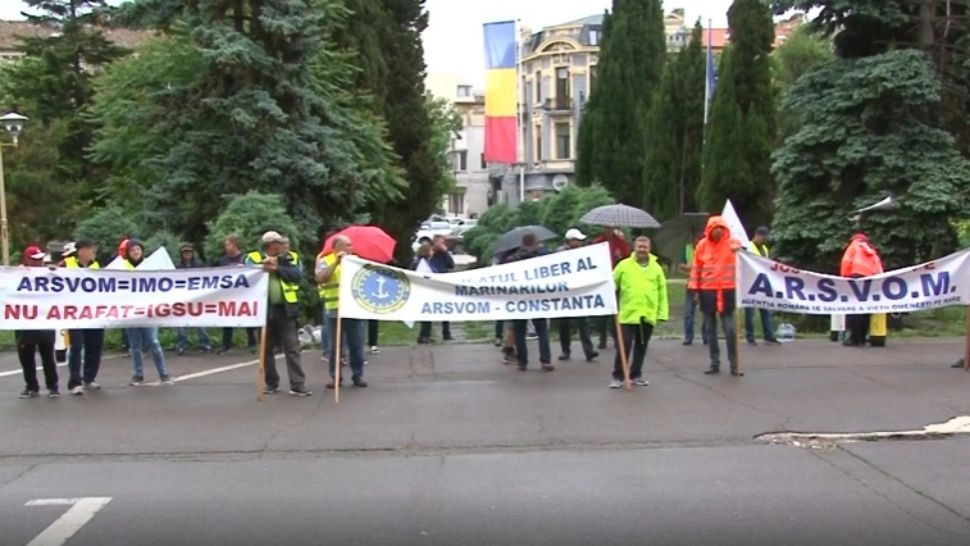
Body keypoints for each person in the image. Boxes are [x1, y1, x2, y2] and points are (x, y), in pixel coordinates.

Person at [247, 231, 311, 396]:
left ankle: (297, 384)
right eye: (279, 243)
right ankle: (271, 383)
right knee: (266, 348)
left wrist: (277, 268)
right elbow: (246, 276)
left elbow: (297, 276)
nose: (283, 246)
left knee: (292, 347)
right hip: (263, 309)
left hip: (286, 308)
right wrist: (263, 267)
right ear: (270, 245)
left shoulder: (290, 258)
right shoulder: (253, 257)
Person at [610, 236, 668, 389]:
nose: (642, 249)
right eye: (639, 246)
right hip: (628, 314)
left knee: (641, 346)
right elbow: (611, 285)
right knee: (625, 345)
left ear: (649, 249)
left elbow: (662, 292)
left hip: (647, 314)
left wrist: (662, 313)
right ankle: (618, 376)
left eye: (645, 247)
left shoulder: (656, 268)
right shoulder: (623, 265)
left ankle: (636, 374)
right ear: (634, 248)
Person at [690, 216, 742, 376]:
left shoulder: (732, 244)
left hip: (727, 291)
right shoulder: (702, 246)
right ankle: (714, 363)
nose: (718, 230)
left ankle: (735, 364)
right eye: (715, 228)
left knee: (730, 329)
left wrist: (739, 250)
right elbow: (696, 269)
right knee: (710, 330)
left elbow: (743, 259)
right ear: (710, 230)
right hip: (708, 292)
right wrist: (695, 291)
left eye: (721, 227)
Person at [316, 235, 367, 388]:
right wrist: (336, 263)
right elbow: (320, 278)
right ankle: (335, 377)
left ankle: (357, 375)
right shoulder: (326, 260)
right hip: (334, 309)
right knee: (335, 347)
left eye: (351, 245)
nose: (350, 248)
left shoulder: (356, 260)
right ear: (337, 248)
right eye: (347, 245)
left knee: (356, 345)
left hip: (353, 309)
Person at [123, 240, 173, 386]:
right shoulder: (122, 267)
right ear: (128, 252)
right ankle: (138, 374)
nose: (136, 252)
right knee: (135, 346)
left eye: (138, 249)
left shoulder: (151, 265)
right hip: (130, 311)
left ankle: (164, 373)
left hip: (149, 311)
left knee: (154, 342)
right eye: (133, 250)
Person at [504, 232, 554, 372]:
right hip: (537, 298)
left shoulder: (511, 259)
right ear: (536, 243)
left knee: (519, 331)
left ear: (521, 244)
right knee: (542, 330)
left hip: (518, 299)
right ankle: (545, 361)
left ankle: (522, 362)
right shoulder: (542, 258)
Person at [17, 245, 60, 399]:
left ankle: (53, 386)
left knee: (48, 356)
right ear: (27, 260)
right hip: (24, 321)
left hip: (44, 320)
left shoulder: (49, 272)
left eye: (41, 259)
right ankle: (31, 387)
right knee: (26, 357)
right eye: (35, 260)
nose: (39, 262)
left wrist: (56, 271)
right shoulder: (17, 273)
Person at [63, 239, 105, 395]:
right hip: (75, 315)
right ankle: (75, 382)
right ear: (82, 250)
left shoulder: (96, 265)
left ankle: (89, 378)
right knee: (76, 347)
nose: (93, 252)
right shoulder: (66, 264)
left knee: (94, 347)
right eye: (91, 249)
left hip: (95, 314)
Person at [556, 228, 597, 362]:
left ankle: (588, 351)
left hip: (580, 292)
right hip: (565, 293)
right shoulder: (559, 253)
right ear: (570, 241)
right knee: (564, 324)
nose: (580, 242)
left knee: (583, 322)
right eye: (577, 240)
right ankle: (565, 350)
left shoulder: (584, 253)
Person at [215, 235, 258, 355]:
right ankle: (226, 344)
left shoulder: (245, 258)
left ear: (235, 244)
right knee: (227, 320)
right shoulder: (222, 260)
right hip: (228, 295)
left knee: (247, 319)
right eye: (225, 245)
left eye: (228, 244)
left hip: (244, 294)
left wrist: (246, 268)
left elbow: (255, 271)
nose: (226, 247)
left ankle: (252, 343)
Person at [840, 232, 883, 347]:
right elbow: (878, 266)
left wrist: (844, 279)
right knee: (866, 308)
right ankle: (862, 337)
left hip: (855, 277)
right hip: (870, 279)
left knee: (853, 308)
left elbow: (846, 262)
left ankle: (853, 338)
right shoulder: (871, 249)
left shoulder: (853, 246)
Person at [593, 227, 629, 349]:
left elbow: (627, 260)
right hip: (602, 280)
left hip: (617, 280)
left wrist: (620, 257)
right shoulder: (598, 242)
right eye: (607, 228)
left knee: (616, 310)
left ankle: (616, 338)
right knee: (601, 313)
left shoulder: (621, 242)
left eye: (611, 228)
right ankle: (602, 337)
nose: (609, 230)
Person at [744, 227, 781, 345]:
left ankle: (768, 335)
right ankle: (750, 336)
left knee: (765, 309)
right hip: (750, 283)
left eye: (765, 237)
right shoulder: (747, 246)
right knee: (750, 312)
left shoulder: (764, 248)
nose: (764, 239)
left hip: (762, 282)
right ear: (757, 235)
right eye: (762, 237)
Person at [175, 243, 212, 355]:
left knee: (202, 323)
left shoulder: (200, 265)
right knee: (181, 324)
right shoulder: (177, 267)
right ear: (182, 254)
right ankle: (182, 345)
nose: (187, 254)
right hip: (183, 299)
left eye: (189, 252)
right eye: (185, 252)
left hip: (198, 299)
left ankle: (205, 344)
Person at [429, 235, 455, 341]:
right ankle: (427, 334)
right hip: (431, 283)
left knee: (444, 308)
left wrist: (445, 252)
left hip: (443, 283)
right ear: (434, 243)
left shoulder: (444, 254)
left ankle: (446, 333)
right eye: (440, 243)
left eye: (443, 243)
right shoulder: (430, 253)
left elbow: (451, 265)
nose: (442, 245)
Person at [414, 243, 440, 344]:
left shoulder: (425, 262)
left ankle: (426, 335)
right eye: (431, 250)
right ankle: (423, 336)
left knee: (428, 316)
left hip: (427, 293)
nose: (432, 252)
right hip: (424, 293)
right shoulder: (422, 264)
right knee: (426, 317)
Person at [680, 237, 702, 346]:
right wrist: (691, 268)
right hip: (691, 285)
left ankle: (706, 337)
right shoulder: (686, 248)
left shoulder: (706, 247)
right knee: (688, 313)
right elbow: (681, 265)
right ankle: (688, 337)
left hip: (704, 285)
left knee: (706, 313)